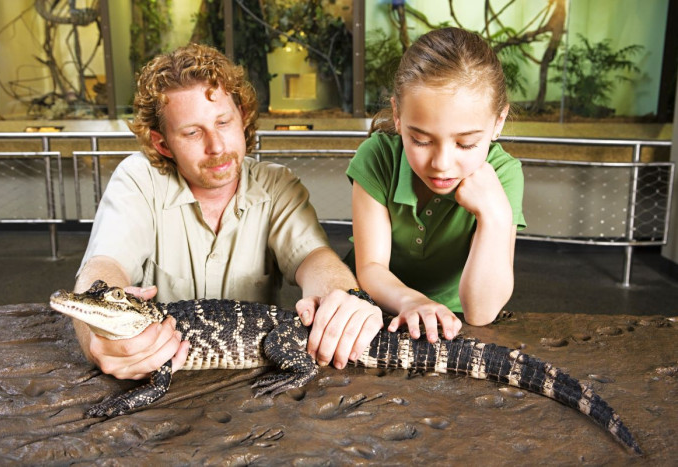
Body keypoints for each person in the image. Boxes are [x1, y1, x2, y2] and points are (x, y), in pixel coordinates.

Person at [73, 43, 383, 381]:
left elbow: (316, 259)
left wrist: (341, 297)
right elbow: (104, 267)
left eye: (223, 122)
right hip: (168, 380)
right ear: (163, 143)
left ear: (243, 118)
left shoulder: (277, 184)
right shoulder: (137, 179)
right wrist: (97, 339)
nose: (217, 146)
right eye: (192, 132)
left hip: (249, 383)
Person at [346, 27, 526, 344]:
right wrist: (412, 301)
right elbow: (371, 267)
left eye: (466, 144)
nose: (441, 163)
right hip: (371, 312)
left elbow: (482, 313)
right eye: (421, 140)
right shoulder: (378, 156)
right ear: (398, 115)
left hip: (452, 323)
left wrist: (495, 215)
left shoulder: (504, 173)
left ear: (498, 123)